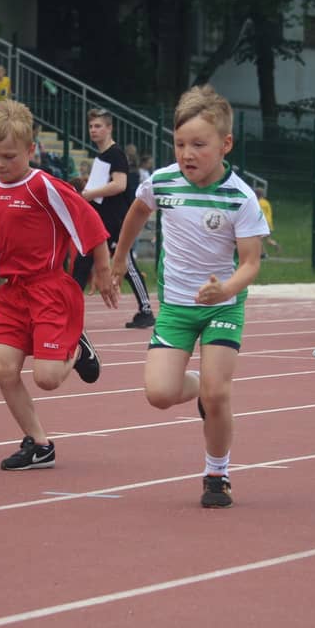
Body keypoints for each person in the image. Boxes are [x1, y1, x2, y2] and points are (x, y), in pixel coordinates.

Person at [111, 85, 269, 508]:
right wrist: (119, 257)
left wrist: (226, 289)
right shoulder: (162, 182)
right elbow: (138, 210)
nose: (187, 154)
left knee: (219, 395)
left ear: (225, 144)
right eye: (180, 144)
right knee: (159, 394)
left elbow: (251, 263)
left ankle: (217, 473)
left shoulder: (241, 197)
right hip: (177, 308)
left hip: (222, 307)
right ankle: (200, 386)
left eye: (199, 144)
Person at [0, 100, 117, 470]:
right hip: (12, 294)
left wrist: (103, 268)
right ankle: (39, 444)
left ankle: (77, 348)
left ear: (30, 150)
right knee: (3, 370)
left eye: (9, 157)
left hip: (48, 290)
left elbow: (89, 222)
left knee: (47, 379)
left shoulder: (44, 187)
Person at [73, 108, 155, 329]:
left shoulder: (116, 154)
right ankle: (68, 310)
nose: (93, 130)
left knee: (127, 265)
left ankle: (146, 310)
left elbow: (119, 185)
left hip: (117, 221)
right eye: (91, 126)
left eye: (98, 126)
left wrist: (89, 193)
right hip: (100, 221)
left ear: (109, 128)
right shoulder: (102, 156)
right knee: (81, 263)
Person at [254, 185, 282, 257]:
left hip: (263, 223)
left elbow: (259, 213)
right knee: (268, 240)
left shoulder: (258, 203)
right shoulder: (266, 202)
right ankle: (276, 245)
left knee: (258, 239)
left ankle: (264, 254)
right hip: (269, 223)